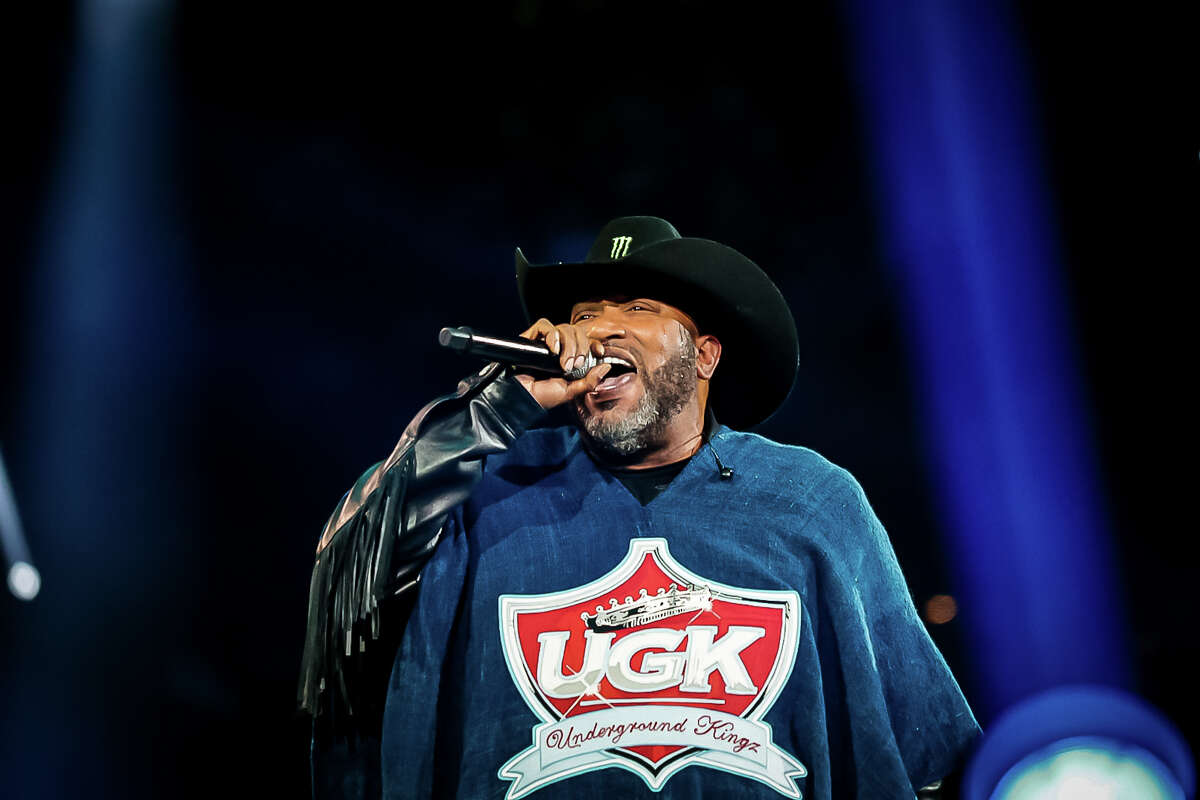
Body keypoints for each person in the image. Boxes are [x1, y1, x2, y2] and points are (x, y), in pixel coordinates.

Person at [298, 216, 981, 799]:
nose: (598, 330)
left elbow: (928, 746)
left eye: (636, 308)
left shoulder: (810, 500)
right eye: (585, 313)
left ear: (705, 355)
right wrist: (495, 410)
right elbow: (356, 563)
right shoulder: (485, 487)